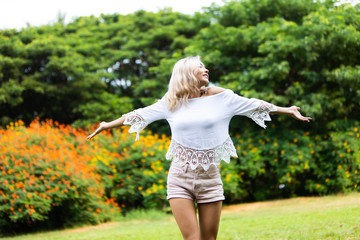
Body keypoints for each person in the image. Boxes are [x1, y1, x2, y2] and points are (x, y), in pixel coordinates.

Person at [87, 56, 311, 240]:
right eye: (200, 67)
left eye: (205, 66)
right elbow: (138, 114)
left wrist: (287, 109)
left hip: (210, 178)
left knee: (208, 239)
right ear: (186, 73)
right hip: (179, 177)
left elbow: (256, 104)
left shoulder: (224, 98)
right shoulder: (171, 103)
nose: (206, 69)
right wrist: (108, 125)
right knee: (192, 239)